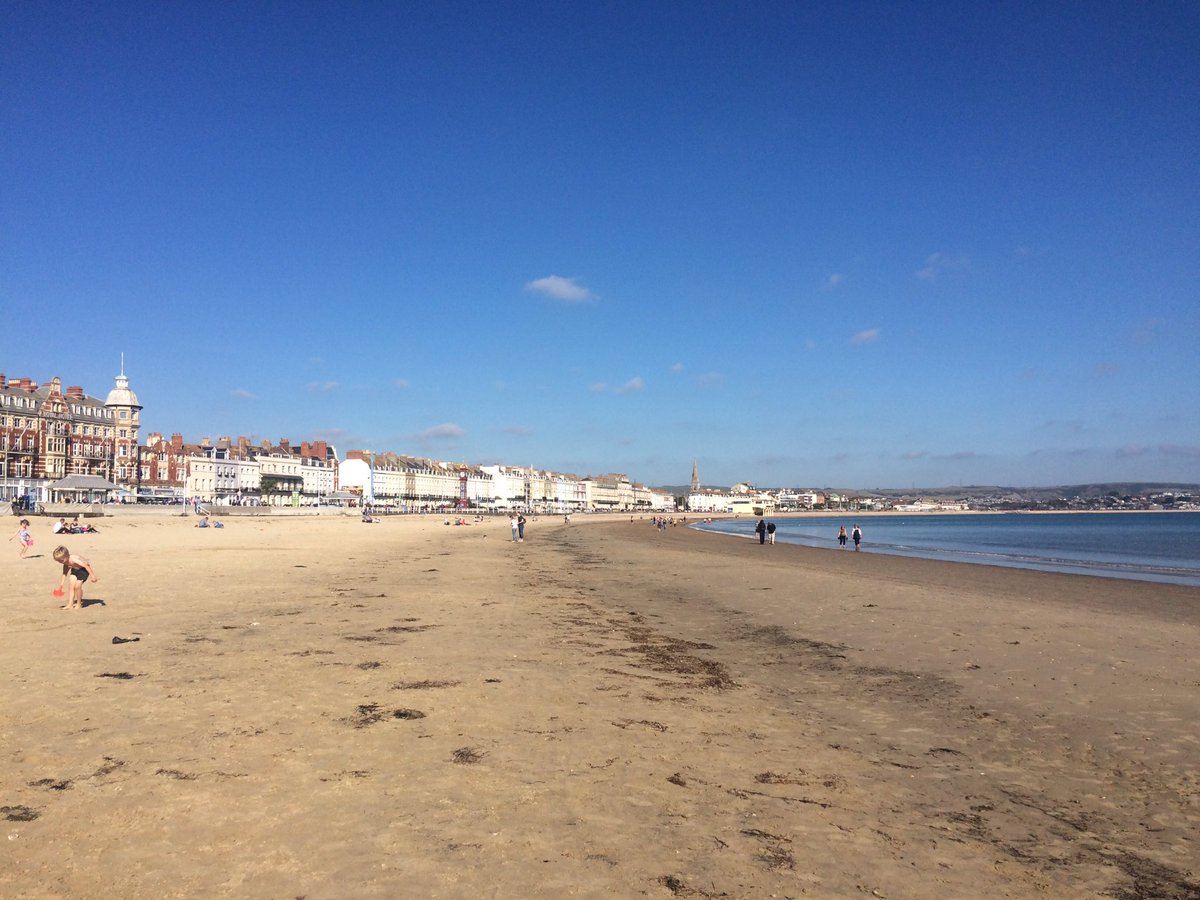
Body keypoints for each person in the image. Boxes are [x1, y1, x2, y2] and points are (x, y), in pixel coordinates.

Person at [53, 545, 97, 609]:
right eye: (59, 561)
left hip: (83, 570)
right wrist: (61, 584)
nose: (61, 562)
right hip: (75, 570)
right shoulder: (65, 563)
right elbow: (65, 573)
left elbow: (86, 566)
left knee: (77, 586)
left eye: (61, 560)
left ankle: (79, 604)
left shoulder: (74, 559)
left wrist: (92, 576)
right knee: (71, 587)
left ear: (67, 556)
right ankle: (70, 604)